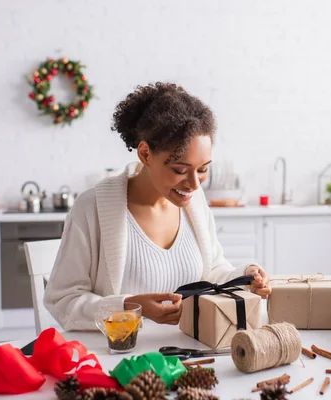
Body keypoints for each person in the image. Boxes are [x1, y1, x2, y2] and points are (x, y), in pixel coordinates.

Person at [44, 82, 272, 331]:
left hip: (192, 355)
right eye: (179, 170)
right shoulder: (92, 208)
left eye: (203, 169)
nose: (194, 184)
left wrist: (245, 277)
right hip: (122, 362)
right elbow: (62, 300)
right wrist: (128, 307)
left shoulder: (194, 205)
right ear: (145, 153)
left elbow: (212, 272)